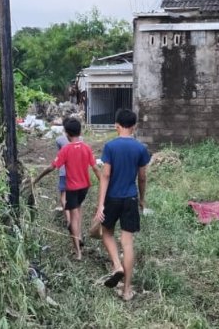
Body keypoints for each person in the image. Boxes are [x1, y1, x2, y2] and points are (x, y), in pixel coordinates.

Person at [94, 108, 151, 301]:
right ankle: (127, 291)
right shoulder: (140, 148)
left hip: (112, 198)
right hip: (131, 198)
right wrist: (142, 199)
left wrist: (100, 205)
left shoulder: (110, 147)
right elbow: (142, 178)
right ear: (134, 126)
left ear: (116, 125)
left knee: (107, 233)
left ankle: (117, 266)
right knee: (127, 243)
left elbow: (106, 175)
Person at [34, 117, 102, 260]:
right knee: (78, 209)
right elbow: (95, 168)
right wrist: (104, 182)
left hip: (72, 188)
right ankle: (80, 236)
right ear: (80, 131)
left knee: (73, 219)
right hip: (85, 188)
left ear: (66, 133)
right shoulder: (86, 148)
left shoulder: (66, 149)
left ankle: (77, 251)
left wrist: (37, 178)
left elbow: (51, 167)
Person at [55, 129, 71, 227]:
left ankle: (68, 220)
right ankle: (75, 220)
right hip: (76, 173)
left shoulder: (59, 139)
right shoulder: (81, 139)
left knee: (64, 196)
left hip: (63, 172)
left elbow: (59, 154)